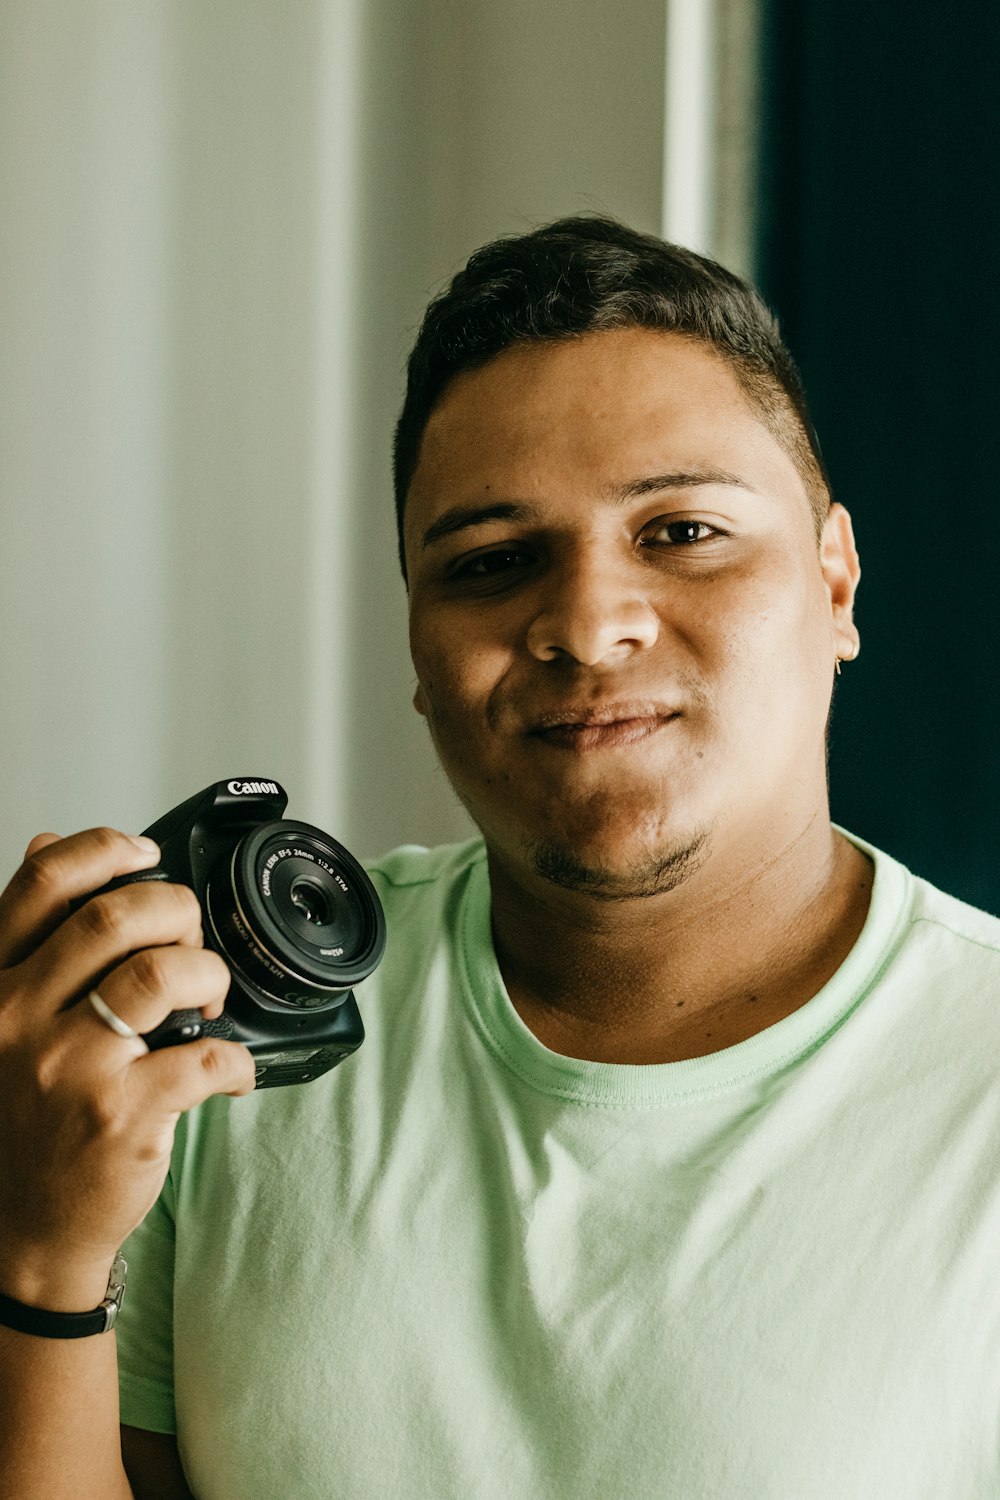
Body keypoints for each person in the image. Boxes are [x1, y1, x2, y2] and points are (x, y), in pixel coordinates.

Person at [2, 215, 999, 1500]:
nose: (587, 627)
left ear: (835, 583)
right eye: (491, 562)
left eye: (681, 531)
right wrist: (34, 1259)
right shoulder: (217, 1044)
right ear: (418, 653)